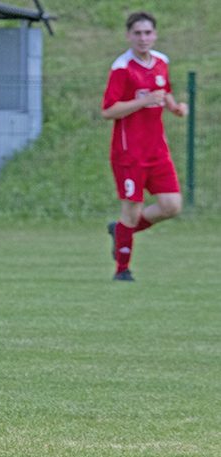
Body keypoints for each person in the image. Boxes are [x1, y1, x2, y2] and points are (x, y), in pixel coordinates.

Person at [102, 10, 188, 282]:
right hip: (129, 153)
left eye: (147, 32)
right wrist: (143, 101)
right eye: (137, 33)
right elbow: (108, 111)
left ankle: (120, 232)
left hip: (157, 151)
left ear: (155, 35)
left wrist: (175, 107)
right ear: (128, 36)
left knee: (171, 205)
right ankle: (122, 270)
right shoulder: (122, 68)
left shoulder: (162, 61)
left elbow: (164, 90)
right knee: (132, 211)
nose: (143, 38)